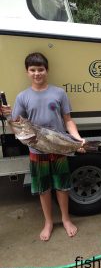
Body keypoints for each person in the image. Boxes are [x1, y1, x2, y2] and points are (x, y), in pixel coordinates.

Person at [0, 52, 85, 241]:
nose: (37, 73)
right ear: (27, 72)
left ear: (47, 70)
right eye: (33, 70)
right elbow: (16, 126)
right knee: (43, 188)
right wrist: (6, 115)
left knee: (62, 186)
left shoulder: (59, 93)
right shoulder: (23, 97)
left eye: (40, 69)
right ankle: (48, 222)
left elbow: (68, 121)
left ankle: (65, 218)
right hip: (36, 150)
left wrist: (78, 140)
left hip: (58, 147)